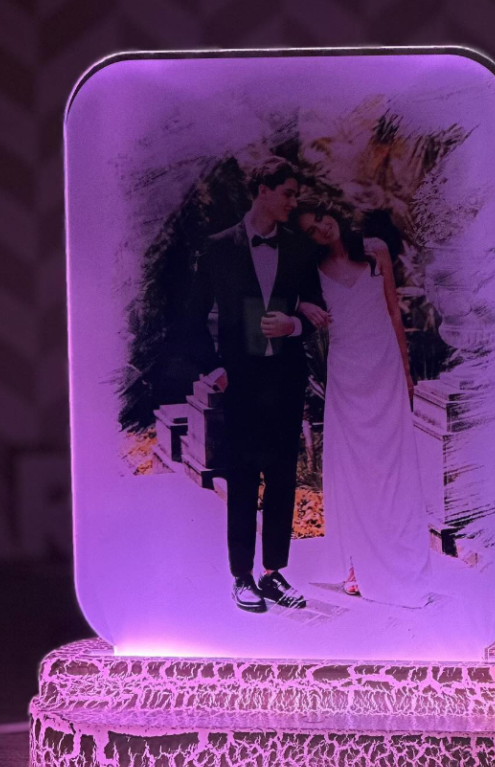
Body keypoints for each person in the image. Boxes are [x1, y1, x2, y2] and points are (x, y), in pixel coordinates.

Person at [184, 158, 326, 614]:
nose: (293, 202)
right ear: (263, 190)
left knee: (282, 478)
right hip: (239, 383)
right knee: (243, 478)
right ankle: (242, 576)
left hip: (285, 381)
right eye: (287, 193)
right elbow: (191, 317)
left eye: (295, 195)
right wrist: (214, 370)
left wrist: (293, 325)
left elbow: (316, 310)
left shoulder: (300, 249)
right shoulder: (218, 247)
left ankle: (273, 573)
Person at [295, 197, 439, 608]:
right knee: (355, 471)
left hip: (385, 370)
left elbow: (394, 312)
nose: (321, 228)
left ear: (331, 211)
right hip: (347, 377)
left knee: (393, 468)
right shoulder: (313, 272)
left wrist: (406, 371)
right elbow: (282, 299)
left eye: (320, 218)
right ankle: (357, 563)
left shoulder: (376, 250)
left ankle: (397, 557)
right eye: (310, 230)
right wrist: (302, 304)